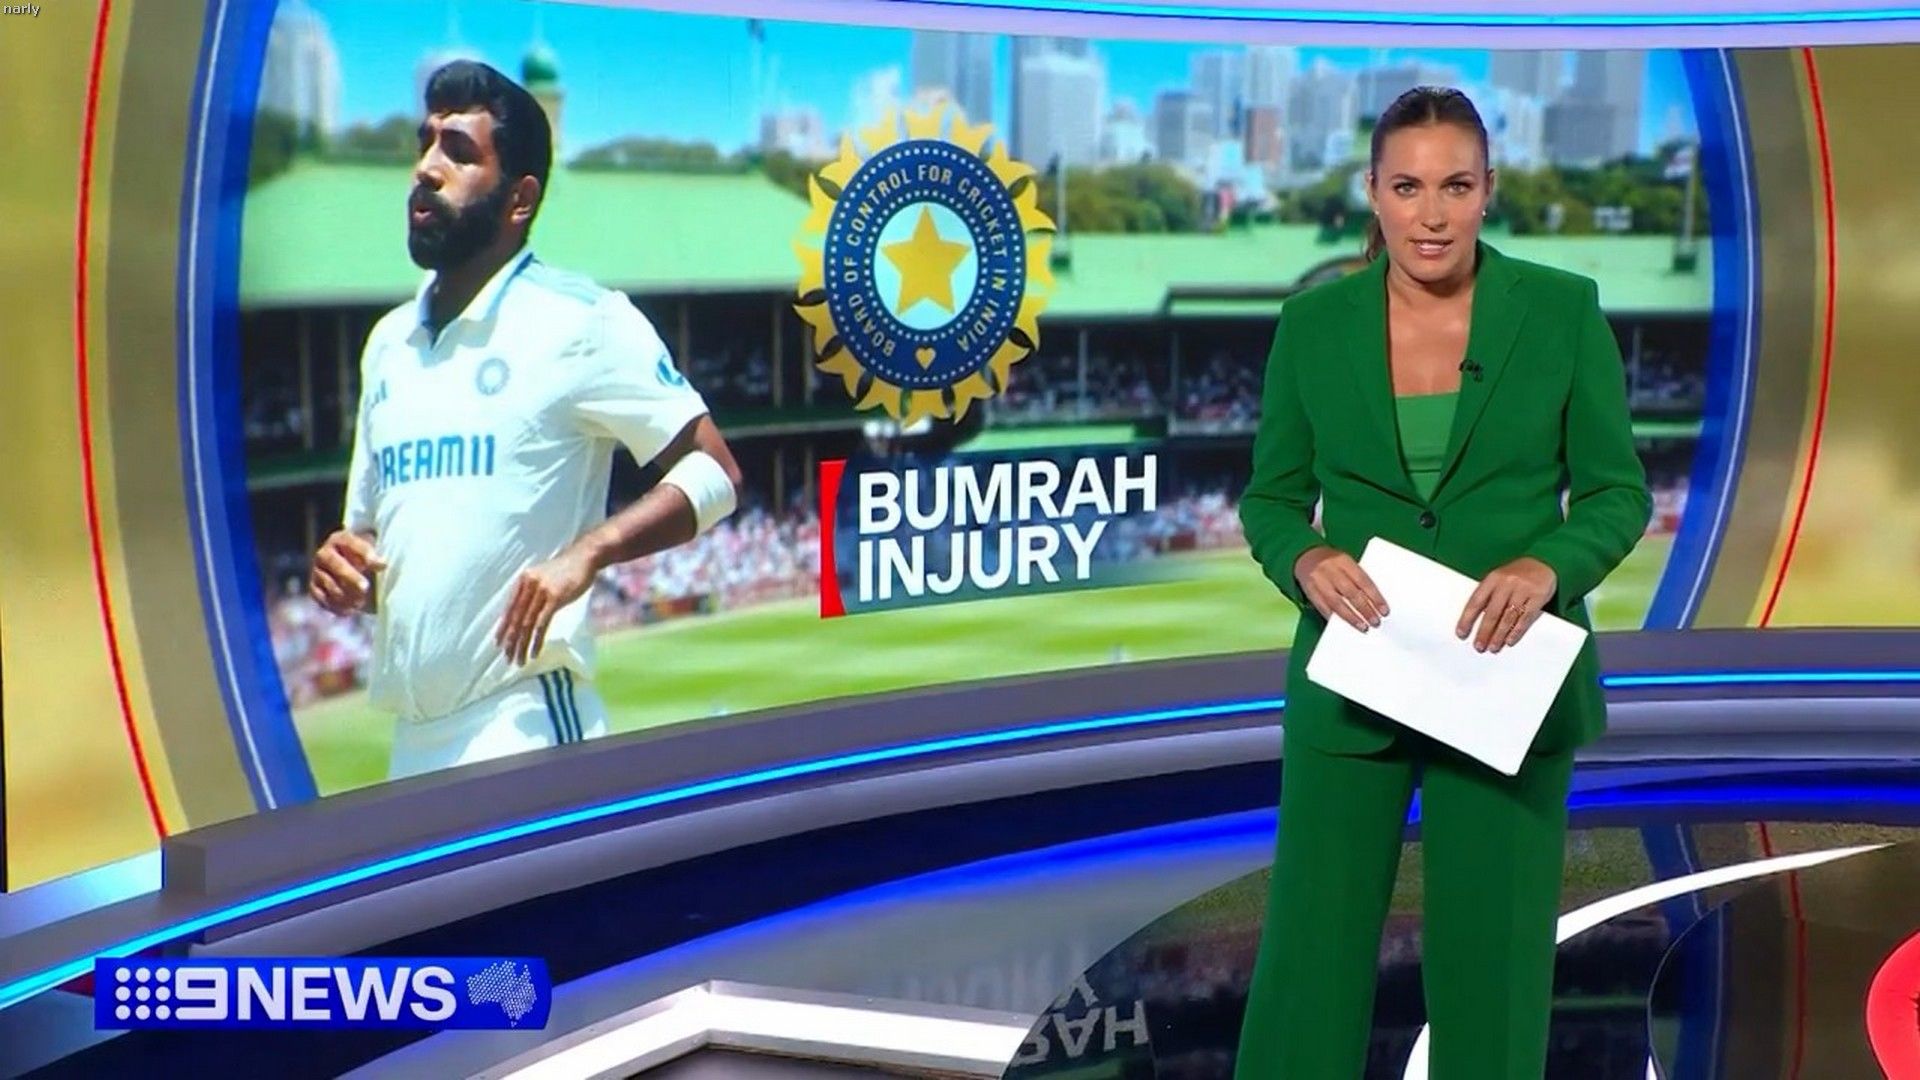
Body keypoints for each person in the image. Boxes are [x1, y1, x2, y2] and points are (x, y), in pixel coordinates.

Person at [1234, 86, 1651, 1077]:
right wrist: (1304, 558)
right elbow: (1270, 501)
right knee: (1310, 961)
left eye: (1456, 186)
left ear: (1488, 190)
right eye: (1409, 187)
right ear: (1372, 192)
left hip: (1504, 681)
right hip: (1355, 682)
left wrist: (1549, 565)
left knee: (1495, 970)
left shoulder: (1561, 310)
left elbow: (1616, 493)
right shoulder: (1311, 325)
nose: (1432, 214)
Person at [307, 61, 742, 780]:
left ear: (520, 199)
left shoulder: (581, 320)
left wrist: (589, 552)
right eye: (425, 142)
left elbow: (716, 473)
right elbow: (374, 548)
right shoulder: (388, 345)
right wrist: (343, 568)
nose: (426, 168)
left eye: (458, 151)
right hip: (411, 746)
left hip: (523, 725)